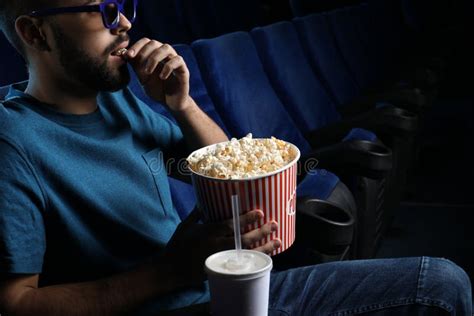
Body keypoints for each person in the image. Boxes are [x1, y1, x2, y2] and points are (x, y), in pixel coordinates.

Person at [0, 0, 471, 315]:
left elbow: (227, 172)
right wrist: (169, 273)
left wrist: (181, 104)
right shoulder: (12, 141)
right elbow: (15, 303)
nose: (123, 23)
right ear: (35, 33)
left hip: (219, 288)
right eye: (102, 9)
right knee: (438, 289)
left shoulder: (115, 99)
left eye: (124, 6)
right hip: (175, 304)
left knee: (444, 282)